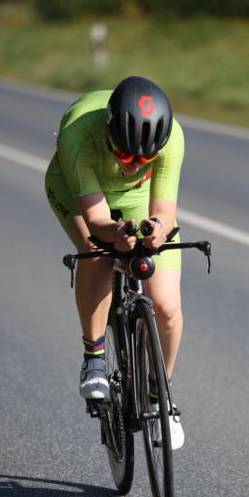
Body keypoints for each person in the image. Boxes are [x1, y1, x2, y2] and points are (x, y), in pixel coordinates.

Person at [45, 76, 185, 449]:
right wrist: (115, 234)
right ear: (108, 131)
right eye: (125, 155)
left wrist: (156, 230)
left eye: (145, 159)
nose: (133, 164)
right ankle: (94, 357)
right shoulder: (77, 135)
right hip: (77, 189)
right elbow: (97, 222)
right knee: (99, 252)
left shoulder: (173, 137)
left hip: (137, 198)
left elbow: (165, 213)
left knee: (167, 307)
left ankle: (160, 398)